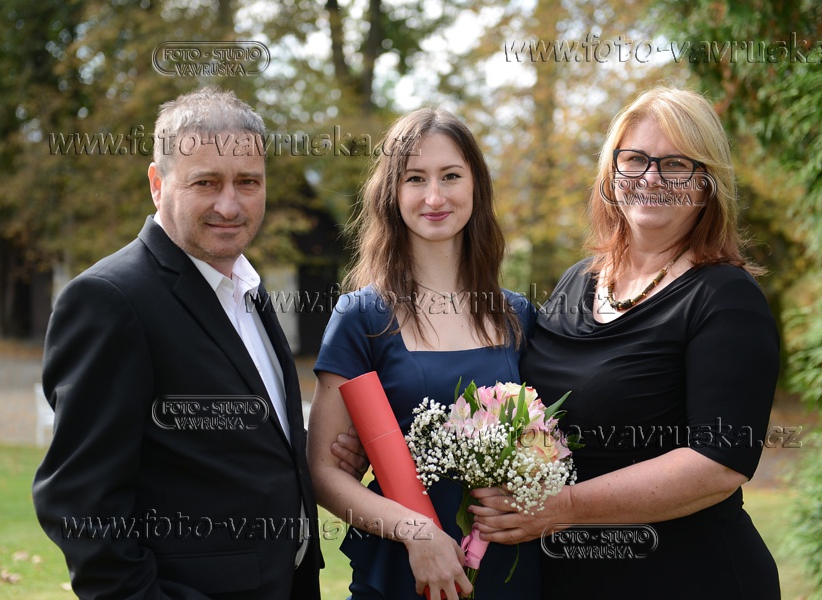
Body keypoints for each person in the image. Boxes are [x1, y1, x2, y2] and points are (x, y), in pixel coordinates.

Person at [470, 86, 781, 598]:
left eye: (675, 164)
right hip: (571, 577)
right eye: (635, 159)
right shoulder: (577, 282)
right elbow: (514, 400)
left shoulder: (726, 298)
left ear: (706, 184)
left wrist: (564, 508)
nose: (651, 178)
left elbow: (718, 464)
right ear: (612, 174)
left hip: (689, 579)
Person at [32, 87, 321, 600]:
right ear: (157, 184)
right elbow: (80, 505)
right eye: (206, 182)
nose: (229, 205)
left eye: (248, 182)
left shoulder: (246, 288)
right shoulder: (110, 299)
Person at [307, 107, 539, 600]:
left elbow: (547, 443)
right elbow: (324, 474)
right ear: (392, 193)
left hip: (508, 570)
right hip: (402, 571)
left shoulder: (518, 316)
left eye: (451, 176)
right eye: (415, 178)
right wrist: (417, 533)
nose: (434, 197)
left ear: (476, 186)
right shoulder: (362, 317)